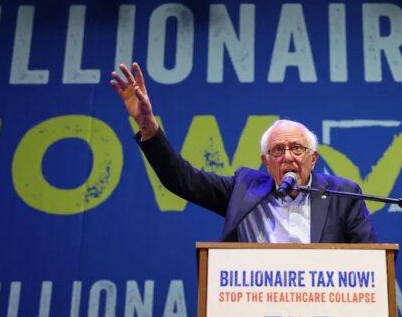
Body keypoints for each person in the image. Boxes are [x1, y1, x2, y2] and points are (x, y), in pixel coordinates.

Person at [110, 62, 377, 243]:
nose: (287, 156)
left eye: (297, 148)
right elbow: (182, 179)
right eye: (277, 150)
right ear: (266, 162)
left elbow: (372, 266)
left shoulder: (343, 196)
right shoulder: (243, 191)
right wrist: (147, 125)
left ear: (313, 157)